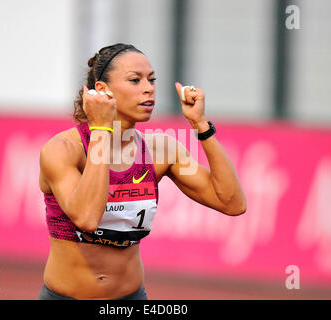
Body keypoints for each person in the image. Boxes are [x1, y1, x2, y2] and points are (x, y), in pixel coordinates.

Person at [37, 43, 246, 300]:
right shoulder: (63, 150)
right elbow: (87, 219)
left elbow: (232, 202)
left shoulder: (161, 151)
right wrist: (102, 130)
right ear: (102, 90)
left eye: (152, 79)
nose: (149, 88)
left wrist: (200, 125)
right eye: (135, 80)